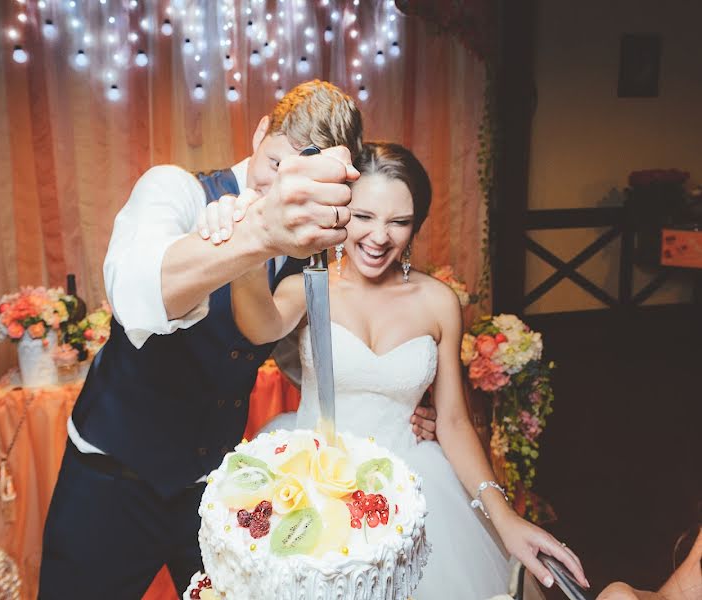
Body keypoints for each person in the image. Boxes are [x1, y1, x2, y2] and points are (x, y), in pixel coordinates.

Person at [39, 82, 438, 599]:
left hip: (218, 493)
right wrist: (255, 235)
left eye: (305, 180)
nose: (282, 193)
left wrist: (396, 396)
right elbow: (134, 295)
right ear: (259, 133)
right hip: (113, 483)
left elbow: (306, 351)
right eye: (276, 165)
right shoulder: (176, 190)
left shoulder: (311, 249)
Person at [197, 141, 590, 598]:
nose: (379, 237)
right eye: (363, 217)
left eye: (398, 222)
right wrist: (248, 250)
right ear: (341, 210)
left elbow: (455, 420)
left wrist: (505, 519)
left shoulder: (439, 302)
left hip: (412, 491)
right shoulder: (311, 286)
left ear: (416, 225)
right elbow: (258, 326)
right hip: (310, 487)